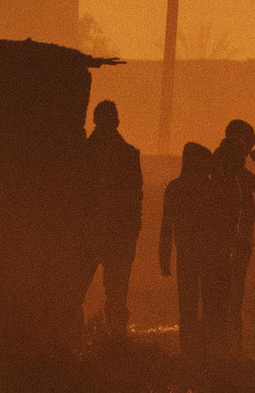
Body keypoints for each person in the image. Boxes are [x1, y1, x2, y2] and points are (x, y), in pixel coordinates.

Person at [157, 142, 230, 361]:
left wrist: (164, 258)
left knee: (187, 305)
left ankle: (188, 352)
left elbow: (166, 226)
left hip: (186, 253)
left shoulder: (175, 187)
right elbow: (222, 222)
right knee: (210, 304)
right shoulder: (213, 187)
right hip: (210, 254)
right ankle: (209, 352)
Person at [213, 118, 255, 354]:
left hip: (225, 244)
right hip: (235, 245)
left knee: (222, 298)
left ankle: (221, 350)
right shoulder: (235, 174)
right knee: (232, 299)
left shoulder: (219, 169)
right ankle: (231, 351)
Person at [79, 99, 142, 343]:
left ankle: (70, 346)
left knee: (74, 292)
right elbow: (135, 200)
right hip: (118, 235)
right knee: (116, 296)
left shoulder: (83, 153)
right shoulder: (128, 155)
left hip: (88, 233)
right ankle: (116, 346)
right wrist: (132, 233)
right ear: (117, 121)